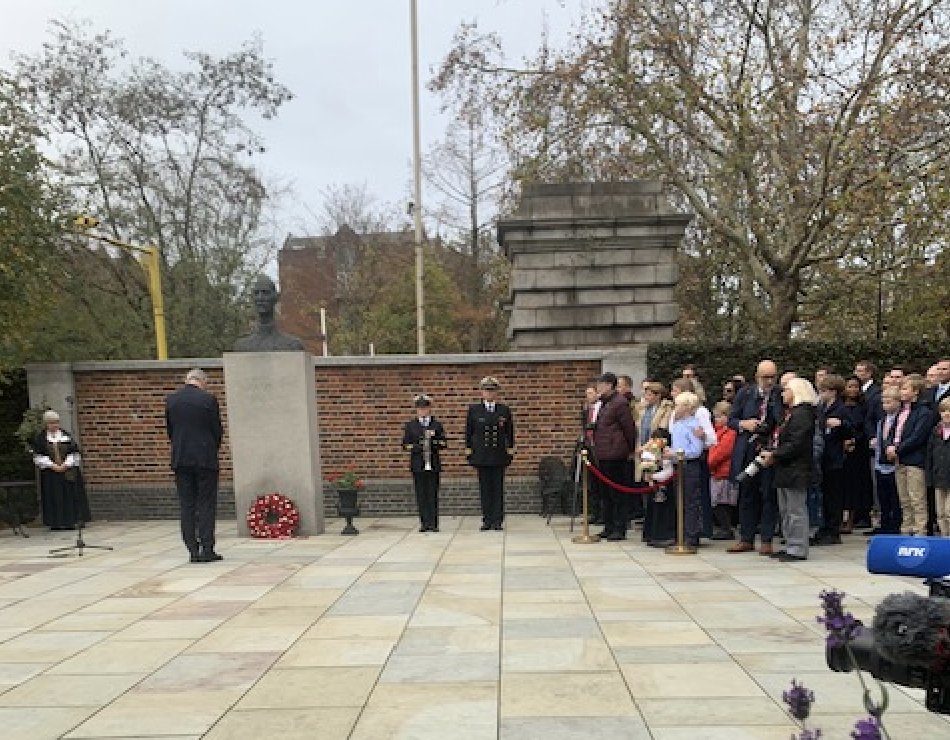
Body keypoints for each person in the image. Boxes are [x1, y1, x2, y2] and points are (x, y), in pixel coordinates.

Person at [165, 368, 224, 562]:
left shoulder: (172, 400)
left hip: (181, 458)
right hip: (205, 458)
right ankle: (207, 548)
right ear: (202, 381)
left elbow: (171, 430)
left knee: (187, 504)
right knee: (206, 503)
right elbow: (216, 430)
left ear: (187, 380)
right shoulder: (208, 400)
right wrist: (212, 449)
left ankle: (192, 549)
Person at [727, 360, 782, 554]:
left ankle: (766, 539)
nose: (769, 381)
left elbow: (781, 420)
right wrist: (744, 423)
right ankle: (746, 537)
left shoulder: (779, 394)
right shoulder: (746, 393)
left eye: (772, 377)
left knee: (768, 494)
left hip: (769, 449)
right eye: (765, 377)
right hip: (748, 448)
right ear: (757, 377)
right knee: (747, 493)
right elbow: (731, 420)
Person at [760, 377, 818, 561]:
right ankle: (790, 543)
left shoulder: (803, 414)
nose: (783, 394)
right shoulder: (791, 413)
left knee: (795, 510)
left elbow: (797, 443)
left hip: (796, 468)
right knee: (785, 509)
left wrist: (775, 454)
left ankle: (798, 548)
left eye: (786, 390)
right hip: (786, 468)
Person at [591, 372, 637, 540]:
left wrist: (629, 448)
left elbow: (629, 428)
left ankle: (619, 527)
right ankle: (608, 525)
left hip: (616, 453)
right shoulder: (603, 403)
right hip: (603, 452)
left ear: (609, 385)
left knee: (617, 493)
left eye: (601, 385)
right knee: (606, 493)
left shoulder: (620, 403)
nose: (598, 388)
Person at [466, 376, 514, 531]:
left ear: (496, 393)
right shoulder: (474, 410)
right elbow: (468, 432)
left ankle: (497, 520)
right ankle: (487, 519)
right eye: (487, 391)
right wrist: (469, 451)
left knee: (498, 488)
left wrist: (510, 451)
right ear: (481, 393)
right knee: (485, 489)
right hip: (482, 455)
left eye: (492, 391)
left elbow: (509, 433)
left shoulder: (503, 410)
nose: (489, 394)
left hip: (498, 454)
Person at [32, 410, 92, 530]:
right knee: (54, 497)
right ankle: (56, 522)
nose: (54, 425)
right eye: (51, 423)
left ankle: (73, 521)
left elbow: (74, 452)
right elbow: (38, 456)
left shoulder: (66, 436)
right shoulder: (41, 439)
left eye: (56, 422)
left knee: (70, 496)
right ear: (46, 424)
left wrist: (66, 464)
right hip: (51, 473)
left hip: (68, 471)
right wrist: (52, 465)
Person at [812, 374, 853, 546]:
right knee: (824, 496)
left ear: (833, 392)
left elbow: (852, 430)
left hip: (835, 457)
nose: (821, 394)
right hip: (823, 456)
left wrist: (841, 424)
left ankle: (833, 529)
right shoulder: (821, 408)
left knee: (834, 496)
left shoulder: (842, 409)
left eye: (824, 391)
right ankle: (824, 527)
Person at [888, 374, 931, 536]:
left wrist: (898, 449)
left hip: (914, 460)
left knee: (916, 498)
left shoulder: (923, 412)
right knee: (904, 500)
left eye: (905, 388)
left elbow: (918, 436)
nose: (901, 391)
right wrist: (890, 446)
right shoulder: (902, 411)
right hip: (900, 459)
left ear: (916, 392)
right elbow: (894, 431)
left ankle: (920, 530)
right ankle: (906, 529)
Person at [402, 394, 447, 533]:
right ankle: (424, 523)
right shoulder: (411, 425)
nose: (422, 411)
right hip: (418, 464)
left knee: (432, 494)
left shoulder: (436, 424)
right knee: (421, 494)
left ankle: (433, 523)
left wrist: (432, 443)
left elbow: (443, 443)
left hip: (433, 463)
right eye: (420, 408)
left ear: (429, 409)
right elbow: (405, 445)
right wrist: (419, 446)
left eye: (425, 408)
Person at [667, 391, 705, 547]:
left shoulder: (694, 425)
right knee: (679, 499)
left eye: (679, 405)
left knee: (690, 501)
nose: (676, 408)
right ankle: (680, 532)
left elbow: (696, 450)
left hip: (690, 465)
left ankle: (691, 534)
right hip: (678, 464)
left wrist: (676, 453)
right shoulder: (677, 424)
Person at [233, 274, 305, 352]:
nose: (260, 298)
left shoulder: (292, 345)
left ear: (276, 297)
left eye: (265, 293)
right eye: (256, 293)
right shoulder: (242, 346)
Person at [840, 375, 872, 532]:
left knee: (856, 485)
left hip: (858, 450)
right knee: (842, 486)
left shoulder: (865, 406)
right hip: (841, 450)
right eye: (849, 386)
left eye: (855, 386)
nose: (853, 389)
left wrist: (854, 441)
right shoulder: (840, 406)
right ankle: (841, 518)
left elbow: (866, 427)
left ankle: (853, 518)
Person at [870, 388, 903, 535]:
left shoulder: (901, 419)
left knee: (895, 498)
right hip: (881, 465)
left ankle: (895, 525)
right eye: (883, 402)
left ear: (898, 402)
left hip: (894, 466)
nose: (885, 405)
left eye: (889, 402)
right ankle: (884, 524)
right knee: (883, 497)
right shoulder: (881, 421)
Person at [708, 400, 738, 540]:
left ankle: (726, 528)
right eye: (715, 417)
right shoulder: (715, 431)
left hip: (723, 471)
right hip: (716, 471)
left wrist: (709, 462)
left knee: (722, 502)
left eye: (720, 416)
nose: (717, 419)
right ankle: (723, 527)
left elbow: (721, 451)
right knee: (717, 501)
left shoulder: (729, 433)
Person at [926, 398, 950, 538]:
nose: (946, 414)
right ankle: (944, 537)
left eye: (949, 411)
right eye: (943, 411)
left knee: (948, 512)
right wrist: (930, 476)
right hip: (938, 476)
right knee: (940, 512)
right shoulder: (936, 431)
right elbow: (930, 455)